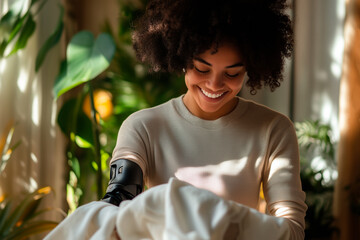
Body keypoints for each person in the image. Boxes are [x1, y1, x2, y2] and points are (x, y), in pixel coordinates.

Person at [102, 0, 307, 238]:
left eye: (232, 73)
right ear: (181, 57)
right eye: (201, 69)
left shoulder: (273, 130)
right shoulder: (144, 127)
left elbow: (292, 229)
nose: (214, 85)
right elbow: (118, 198)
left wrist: (227, 220)